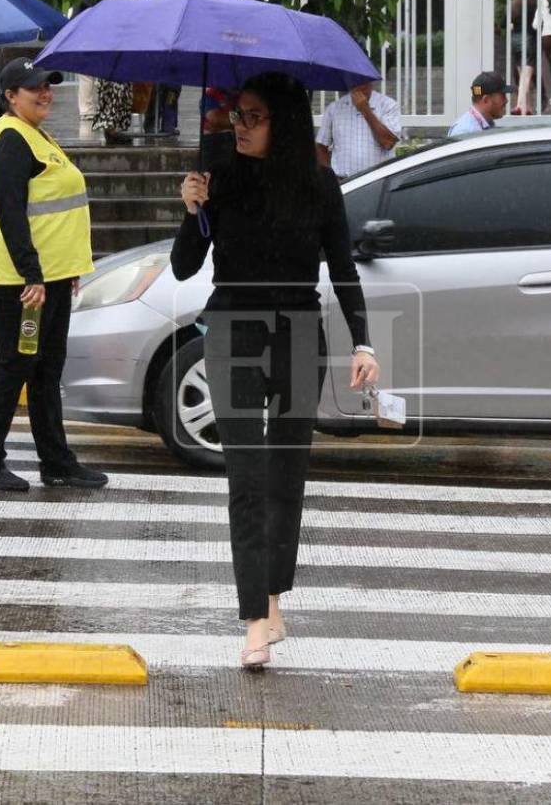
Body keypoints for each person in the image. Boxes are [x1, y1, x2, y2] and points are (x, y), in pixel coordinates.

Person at [174, 72, 380, 669]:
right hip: (233, 331)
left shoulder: (319, 185)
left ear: (283, 121)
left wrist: (364, 342)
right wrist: (193, 211)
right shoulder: (220, 180)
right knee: (246, 475)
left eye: (252, 116)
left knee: (287, 473)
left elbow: (343, 269)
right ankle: (255, 619)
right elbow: (186, 267)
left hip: (296, 333)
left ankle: (271, 594)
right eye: (236, 114)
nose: (238, 125)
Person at [0, 58, 109, 493]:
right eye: (34, 87)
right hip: (24, 283)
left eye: (49, 85)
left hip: (49, 277)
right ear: (10, 96)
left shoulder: (36, 135)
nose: (45, 93)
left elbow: (54, 210)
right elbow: (12, 215)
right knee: (14, 365)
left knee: (46, 370)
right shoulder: (11, 140)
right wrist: (32, 275)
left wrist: (63, 270)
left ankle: (56, 462)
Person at [315, 81, 401, 179]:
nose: (360, 84)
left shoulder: (388, 105)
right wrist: (328, 178)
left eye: (364, 80)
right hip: (344, 182)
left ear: (371, 81)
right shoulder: (334, 108)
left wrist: (365, 109)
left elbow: (388, 142)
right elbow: (321, 146)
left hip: (379, 182)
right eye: (355, 80)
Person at [507, 0, 539, 114]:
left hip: (514, 39)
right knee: (526, 77)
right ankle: (519, 105)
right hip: (528, 39)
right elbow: (536, 25)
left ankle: (528, 108)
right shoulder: (533, 4)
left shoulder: (513, 3)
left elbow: (504, 22)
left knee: (522, 76)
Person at [448, 72, 514, 136]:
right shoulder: (464, 132)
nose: (506, 100)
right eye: (502, 95)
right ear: (486, 100)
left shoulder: (485, 124)